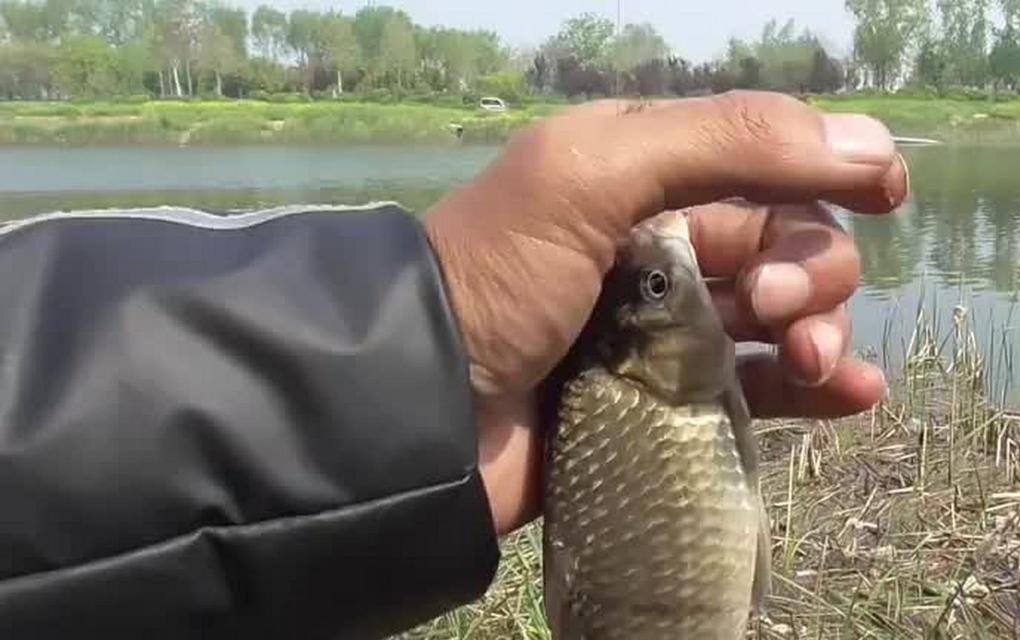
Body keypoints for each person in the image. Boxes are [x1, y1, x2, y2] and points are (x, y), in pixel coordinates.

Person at [0, 91, 909, 638]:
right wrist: (429, 331)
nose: (664, 256)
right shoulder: (660, 382)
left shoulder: (650, 382)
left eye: (654, 292)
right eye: (662, 294)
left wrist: (417, 357)